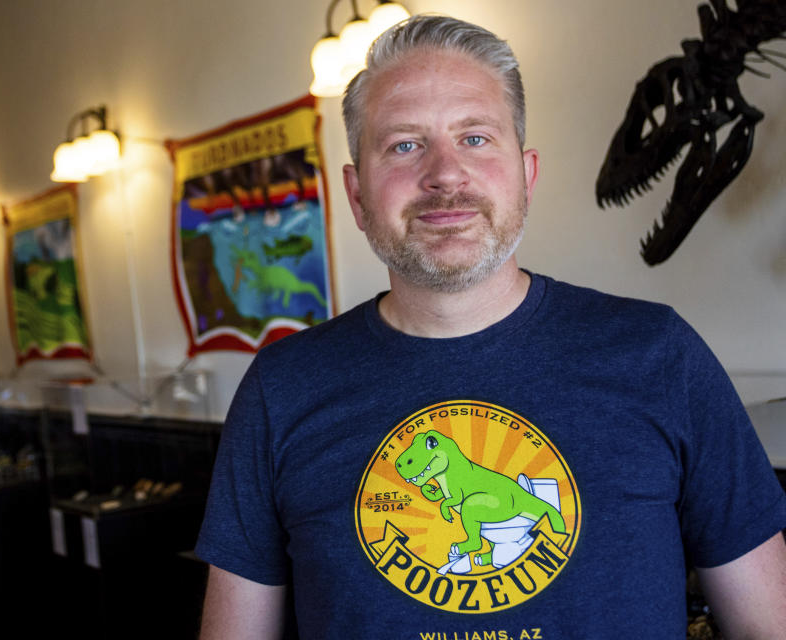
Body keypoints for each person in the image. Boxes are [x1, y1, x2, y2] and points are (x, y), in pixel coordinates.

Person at [195, 15, 786, 639]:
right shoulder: (280, 388)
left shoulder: (660, 354)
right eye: (403, 144)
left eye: (475, 138)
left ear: (526, 175)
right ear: (358, 195)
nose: (445, 174)